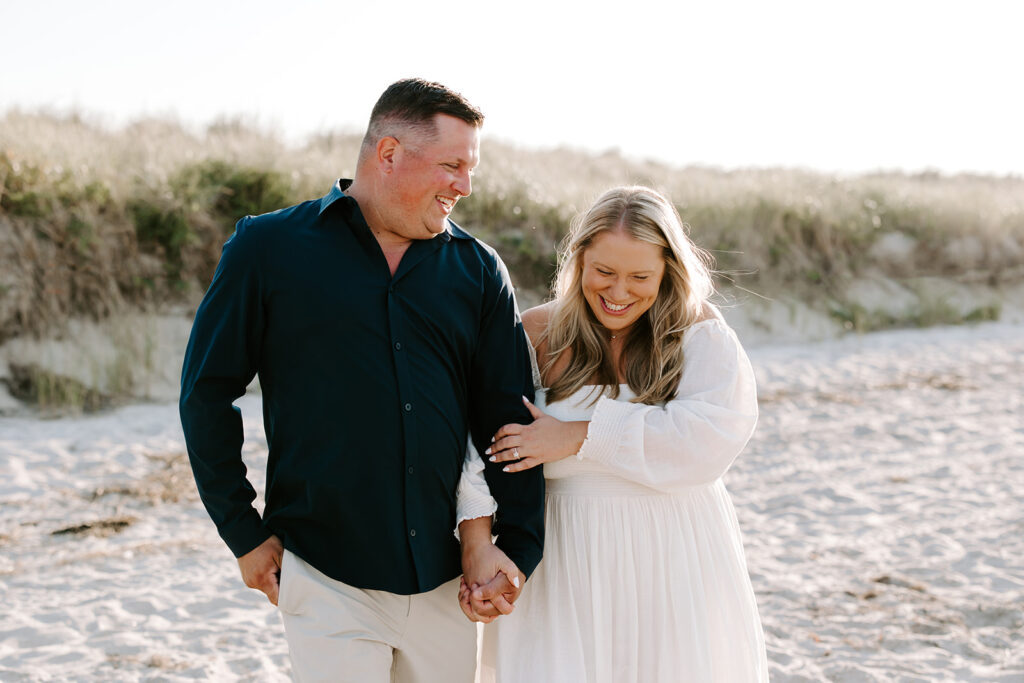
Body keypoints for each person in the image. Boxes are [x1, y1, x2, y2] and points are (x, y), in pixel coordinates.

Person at [179, 78, 544, 682]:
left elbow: (508, 416)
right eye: (452, 165)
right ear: (390, 153)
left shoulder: (477, 269)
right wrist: (242, 531)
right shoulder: (268, 249)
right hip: (325, 576)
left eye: (470, 168)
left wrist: (517, 545)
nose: (465, 185)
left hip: (446, 581)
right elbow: (206, 394)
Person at [457, 186, 769, 682]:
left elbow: (708, 442)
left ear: (669, 269)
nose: (618, 293)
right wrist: (477, 543)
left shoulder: (697, 333)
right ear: (579, 260)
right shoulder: (533, 334)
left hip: (674, 555)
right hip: (563, 557)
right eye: (603, 272)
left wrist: (579, 435)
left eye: (639, 276)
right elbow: (475, 449)